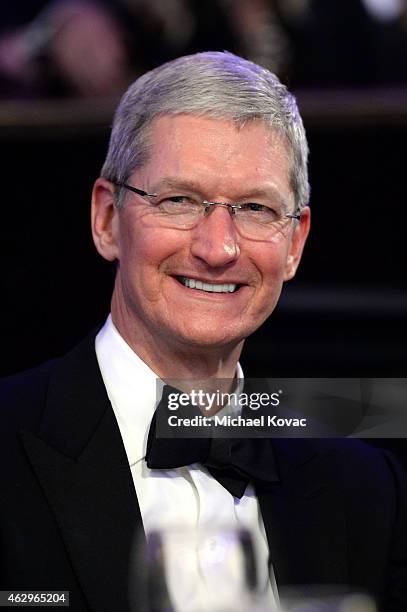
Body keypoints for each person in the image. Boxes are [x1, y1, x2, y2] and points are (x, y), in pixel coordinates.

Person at [1, 51, 406, 612]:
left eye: (256, 208)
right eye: (179, 201)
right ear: (107, 220)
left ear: (295, 243)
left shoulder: (367, 490)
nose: (218, 248)